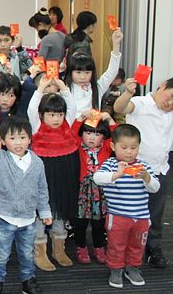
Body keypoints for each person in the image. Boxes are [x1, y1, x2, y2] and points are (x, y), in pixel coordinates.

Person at [0, 115, 51, 294]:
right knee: (1, 253)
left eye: (22, 137)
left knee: (27, 253)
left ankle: (28, 280)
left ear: (30, 138)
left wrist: (44, 211)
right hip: (5, 216)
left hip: (28, 218)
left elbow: (42, 189)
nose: (18, 142)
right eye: (12, 138)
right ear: (4, 141)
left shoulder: (37, 163)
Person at [113, 76, 173, 268]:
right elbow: (120, 108)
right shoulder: (141, 103)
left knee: (155, 213)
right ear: (162, 86)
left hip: (161, 168)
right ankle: (122, 250)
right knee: (129, 212)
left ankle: (153, 248)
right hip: (135, 171)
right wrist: (128, 92)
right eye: (170, 96)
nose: (170, 103)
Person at [94, 124, 160, 288]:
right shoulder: (110, 164)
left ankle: (133, 267)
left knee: (137, 245)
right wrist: (118, 174)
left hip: (141, 217)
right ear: (113, 146)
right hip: (118, 216)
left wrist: (146, 178)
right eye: (124, 147)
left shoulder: (143, 167)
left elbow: (155, 188)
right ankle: (115, 269)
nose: (129, 152)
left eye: (134, 147)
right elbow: (98, 178)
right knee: (116, 244)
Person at [27, 77, 79, 272]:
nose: (56, 118)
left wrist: (63, 87)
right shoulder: (37, 126)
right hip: (43, 174)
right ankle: (39, 249)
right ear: (42, 115)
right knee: (41, 211)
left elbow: (72, 105)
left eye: (59, 114)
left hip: (64, 173)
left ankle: (59, 248)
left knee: (60, 212)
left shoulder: (67, 123)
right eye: (51, 114)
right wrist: (41, 87)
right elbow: (32, 107)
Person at [71, 112, 115, 265]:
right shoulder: (77, 146)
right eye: (87, 132)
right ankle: (81, 247)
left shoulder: (107, 148)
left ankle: (99, 247)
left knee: (99, 222)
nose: (91, 137)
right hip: (82, 190)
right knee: (80, 222)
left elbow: (116, 136)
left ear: (103, 136)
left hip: (100, 191)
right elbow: (71, 133)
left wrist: (109, 119)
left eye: (97, 134)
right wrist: (81, 117)